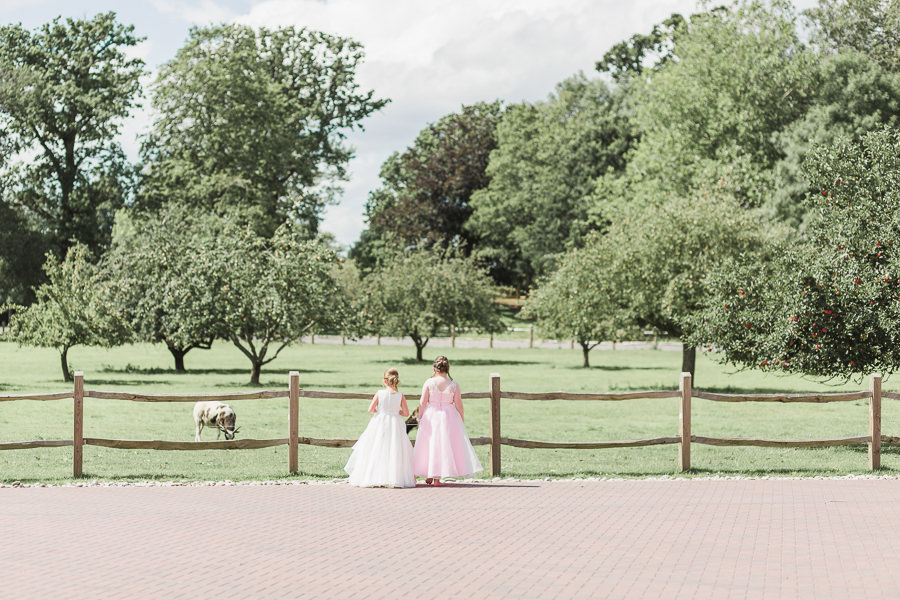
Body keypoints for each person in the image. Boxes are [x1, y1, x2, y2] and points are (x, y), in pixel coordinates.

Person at [413, 355, 483, 486]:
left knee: (429, 444)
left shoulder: (429, 382)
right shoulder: (453, 384)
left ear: (434, 369)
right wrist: (461, 419)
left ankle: (430, 474)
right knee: (443, 446)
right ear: (448, 369)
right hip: (448, 416)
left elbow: (422, 402)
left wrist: (420, 417)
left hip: (431, 415)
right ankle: (436, 479)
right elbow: (459, 404)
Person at [344, 368, 415, 488]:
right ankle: (393, 477)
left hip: (380, 422)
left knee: (376, 447)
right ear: (397, 381)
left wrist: (381, 411)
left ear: (384, 381)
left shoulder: (379, 393)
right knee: (393, 449)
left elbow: (371, 409)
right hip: (395, 423)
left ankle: (373, 477)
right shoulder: (400, 395)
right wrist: (395, 411)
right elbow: (406, 413)